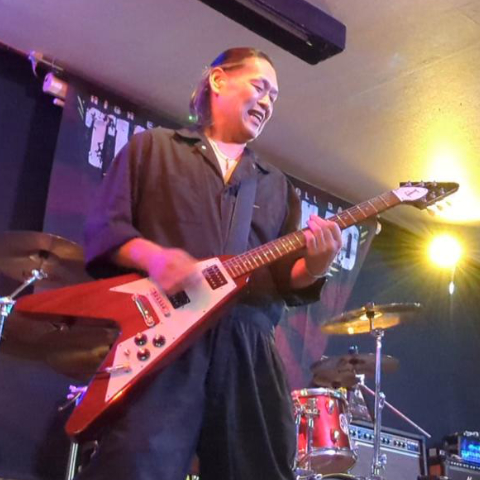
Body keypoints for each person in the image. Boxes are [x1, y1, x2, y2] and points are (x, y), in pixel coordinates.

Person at [79, 47, 343, 480]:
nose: (267, 103)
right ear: (219, 81)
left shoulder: (276, 186)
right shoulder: (153, 148)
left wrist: (316, 265)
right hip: (167, 336)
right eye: (260, 87)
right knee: (134, 464)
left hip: (247, 345)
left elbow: (287, 279)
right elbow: (106, 228)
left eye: (274, 98)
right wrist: (155, 257)